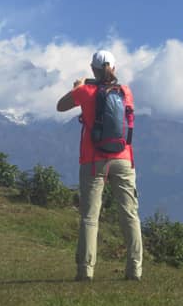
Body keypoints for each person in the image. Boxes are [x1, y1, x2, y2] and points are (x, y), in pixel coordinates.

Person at [56, 50, 143, 281]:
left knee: (90, 217)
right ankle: (135, 269)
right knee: (130, 214)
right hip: (124, 158)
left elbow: (60, 106)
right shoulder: (126, 92)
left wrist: (77, 86)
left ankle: (86, 271)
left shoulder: (86, 92)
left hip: (94, 160)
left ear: (93, 69)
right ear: (114, 68)